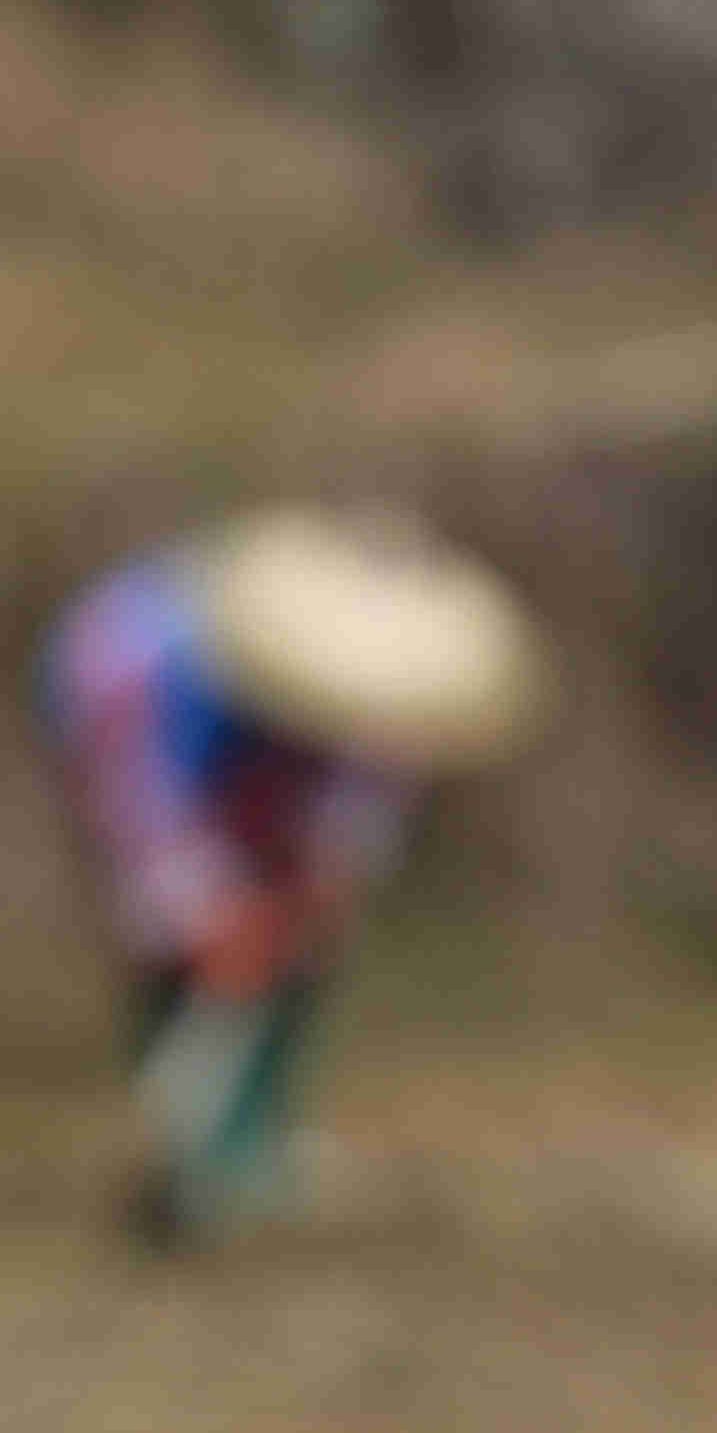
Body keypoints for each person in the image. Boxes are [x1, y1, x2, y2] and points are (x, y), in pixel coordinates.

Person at [40, 508, 541, 1245]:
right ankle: (174, 1134)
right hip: (152, 753)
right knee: (183, 944)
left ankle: (252, 1140)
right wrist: (200, 905)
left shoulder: (374, 676)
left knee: (297, 937)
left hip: (265, 761)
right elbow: (139, 805)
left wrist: (323, 875)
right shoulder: (129, 662)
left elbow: (365, 792)